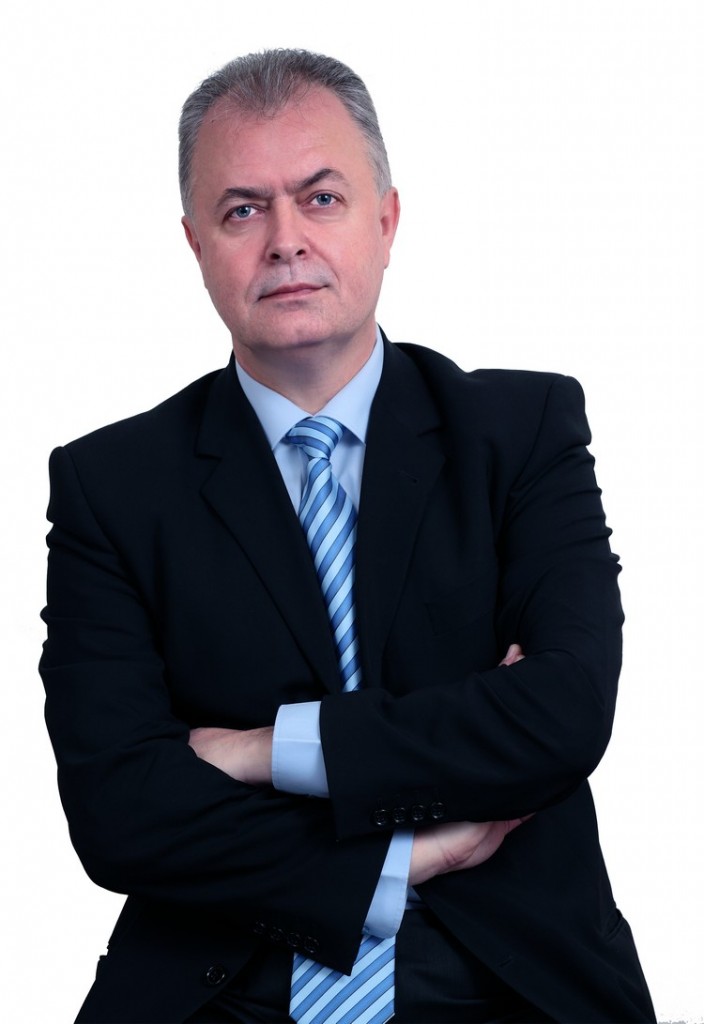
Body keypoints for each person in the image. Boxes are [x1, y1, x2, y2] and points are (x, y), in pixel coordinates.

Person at [40, 49, 655, 1023]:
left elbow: (563, 715)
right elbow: (118, 810)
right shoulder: (111, 486)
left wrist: (262, 749)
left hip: (508, 978)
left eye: (320, 198)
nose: (285, 240)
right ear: (195, 244)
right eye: (242, 210)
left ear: (386, 220)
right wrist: (400, 858)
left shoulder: (519, 432)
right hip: (224, 982)